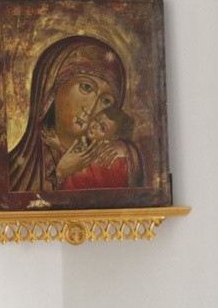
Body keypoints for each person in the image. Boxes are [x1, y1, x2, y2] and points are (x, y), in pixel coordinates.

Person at [8, 35, 143, 193]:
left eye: (106, 101)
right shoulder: (11, 172)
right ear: (52, 86)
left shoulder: (114, 161)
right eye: (86, 87)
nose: (91, 109)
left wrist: (129, 151)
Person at [59, 106, 143, 191]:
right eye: (96, 119)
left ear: (113, 138)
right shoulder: (85, 142)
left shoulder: (107, 159)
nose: (94, 126)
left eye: (102, 128)